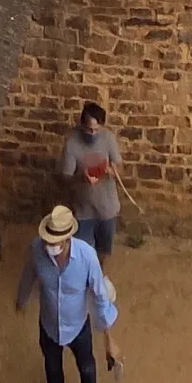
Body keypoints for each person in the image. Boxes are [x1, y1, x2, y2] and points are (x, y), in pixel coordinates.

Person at [15, 205, 119, 383]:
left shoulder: (87, 258)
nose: (49, 245)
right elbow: (28, 274)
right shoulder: (36, 250)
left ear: (68, 238)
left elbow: (100, 298)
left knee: (87, 370)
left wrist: (109, 340)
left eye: (54, 241)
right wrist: (21, 299)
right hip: (49, 326)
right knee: (52, 369)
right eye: (47, 239)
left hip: (78, 327)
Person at [61, 102, 123, 268]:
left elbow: (120, 167)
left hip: (107, 207)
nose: (93, 134)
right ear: (82, 125)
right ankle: (86, 277)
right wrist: (82, 178)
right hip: (84, 210)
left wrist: (112, 170)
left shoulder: (108, 138)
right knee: (83, 251)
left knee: (103, 249)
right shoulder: (72, 144)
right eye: (89, 129)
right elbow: (66, 178)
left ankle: (98, 273)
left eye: (97, 129)